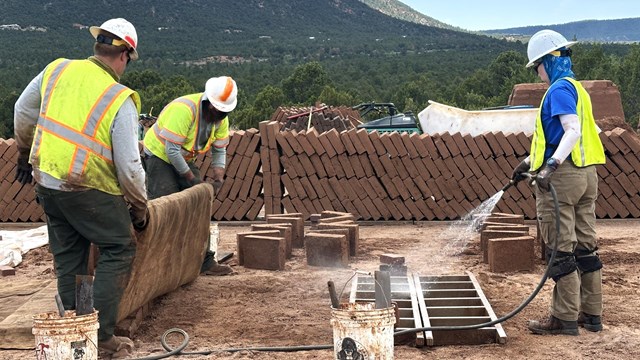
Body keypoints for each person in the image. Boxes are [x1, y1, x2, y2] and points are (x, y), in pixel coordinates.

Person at [13, 18, 147, 358]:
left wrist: (24, 155)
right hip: (88, 189)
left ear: (97, 46)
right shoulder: (121, 98)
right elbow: (130, 168)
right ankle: (100, 339)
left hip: (47, 182)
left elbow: (22, 111)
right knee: (119, 246)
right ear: (125, 55)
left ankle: (76, 330)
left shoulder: (56, 70)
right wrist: (139, 209)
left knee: (70, 258)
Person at [511, 29, 606, 335]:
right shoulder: (578, 89)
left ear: (549, 61)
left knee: (560, 249)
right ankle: (591, 315)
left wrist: (549, 167)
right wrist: (529, 163)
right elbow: (559, 138)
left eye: (538, 65)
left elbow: (572, 131)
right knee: (586, 247)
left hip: (563, 179)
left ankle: (563, 319)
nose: (538, 72)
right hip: (586, 175)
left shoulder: (559, 91)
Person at [142, 76, 236, 275]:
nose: (220, 114)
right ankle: (160, 264)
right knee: (166, 203)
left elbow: (219, 150)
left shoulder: (221, 119)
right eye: (218, 110)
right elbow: (171, 151)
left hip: (182, 157)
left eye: (224, 112)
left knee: (199, 202)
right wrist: (192, 179)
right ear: (208, 103)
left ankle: (205, 261)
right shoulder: (184, 110)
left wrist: (218, 177)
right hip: (160, 155)